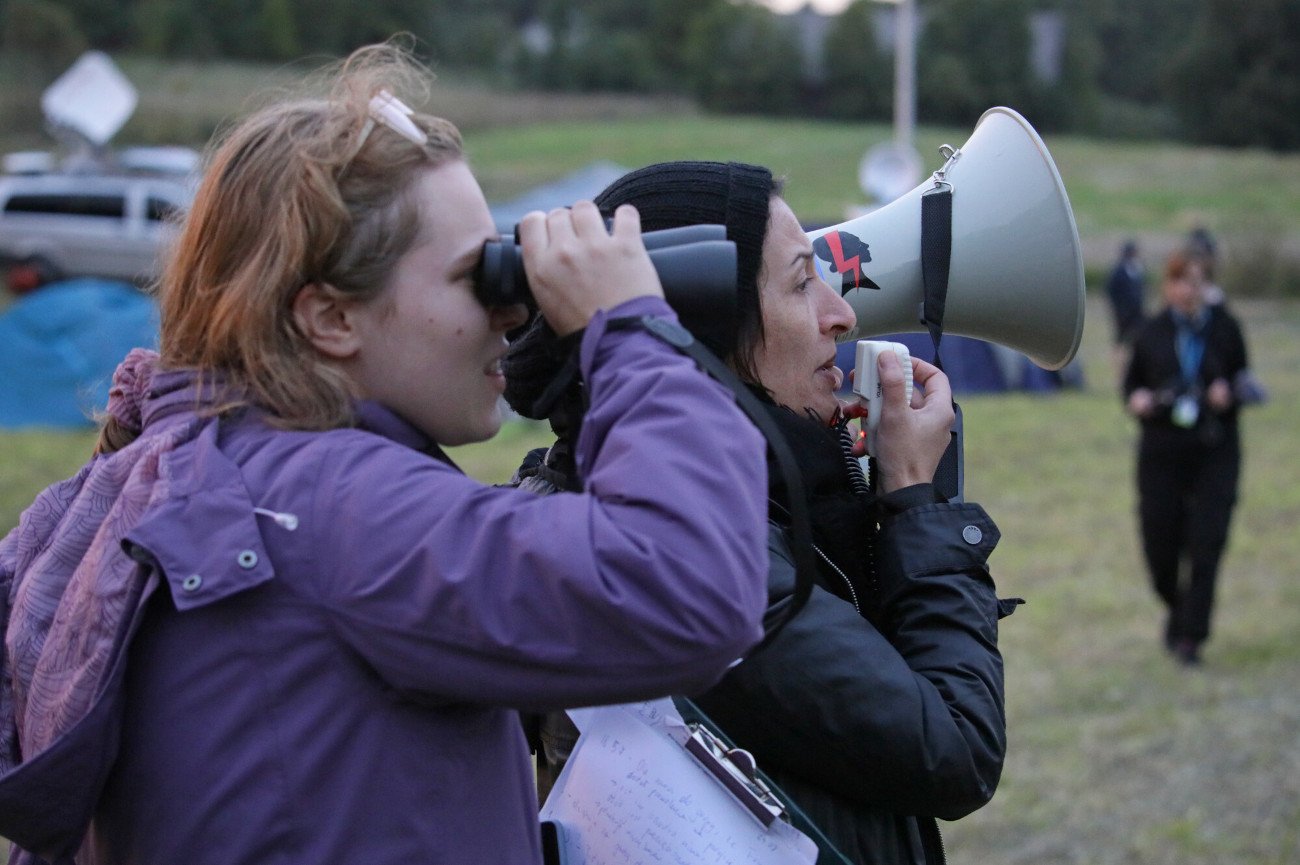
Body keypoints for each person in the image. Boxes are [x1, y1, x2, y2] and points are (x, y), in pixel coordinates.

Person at [0, 47, 772, 865]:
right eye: (474, 277)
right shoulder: (336, 507)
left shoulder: (187, 476)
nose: (513, 310)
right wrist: (632, 330)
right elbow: (691, 589)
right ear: (330, 319)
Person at [505, 161, 1013, 864]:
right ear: (711, 340)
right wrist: (913, 500)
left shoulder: (664, 501)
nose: (842, 314)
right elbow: (954, 748)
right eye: (802, 283)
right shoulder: (701, 551)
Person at [1123, 250, 1249, 666]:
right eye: (1181, 281)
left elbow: (1243, 378)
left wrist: (1227, 393)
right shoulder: (1150, 331)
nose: (1189, 290)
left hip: (1215, 448)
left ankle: (1192, 637)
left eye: (1197, 282)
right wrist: (1140, 400)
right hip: (1162, 451)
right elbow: (1131, 388)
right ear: (1168, 285)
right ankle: (1177, 610)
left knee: (1207, 541)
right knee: (1161, 546)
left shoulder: (1225, 328)